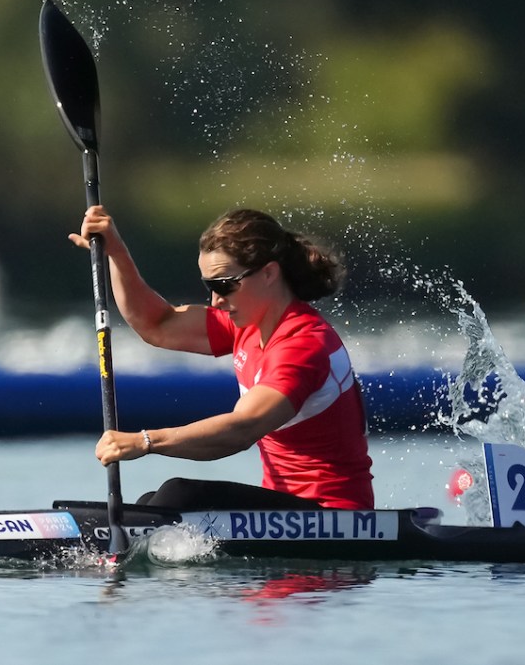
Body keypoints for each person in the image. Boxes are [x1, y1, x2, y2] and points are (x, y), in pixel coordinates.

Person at [69, 205, 374, 510]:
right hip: (288, 512)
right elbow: (156, 325)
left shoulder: (303, 343)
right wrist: (116, 253)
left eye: (224, 285)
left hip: (334, 514)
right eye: (209, 286)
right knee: (152, 503)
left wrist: (146, 441)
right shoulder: (247, 324)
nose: (215, 300)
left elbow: (242, 430)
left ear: (269, 273)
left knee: (178, 495)